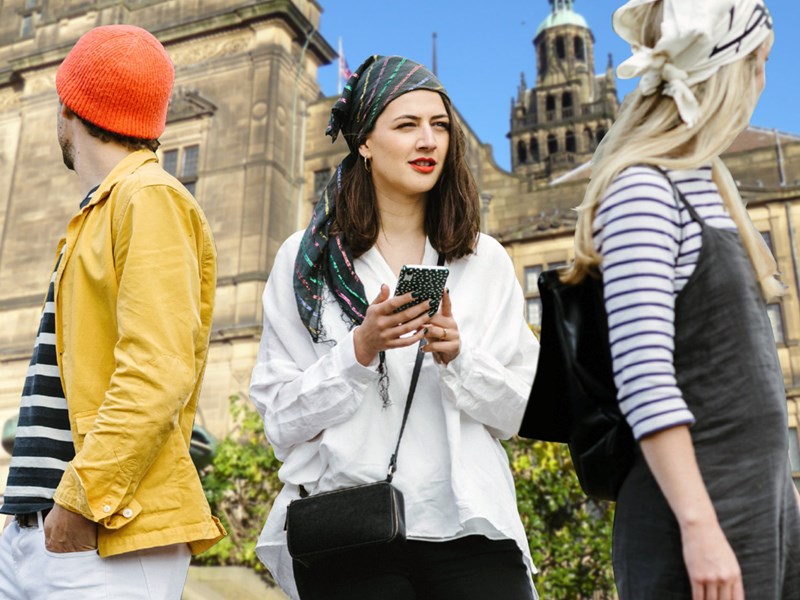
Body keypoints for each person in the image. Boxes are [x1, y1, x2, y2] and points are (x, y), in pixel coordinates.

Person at [249, 55, 540, 600]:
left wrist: (460, 359)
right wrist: (358, 351)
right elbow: (280, 421)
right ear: (364, 141)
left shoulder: (485, 260)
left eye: (439, 126)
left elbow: (522, 410)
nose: (428, 140)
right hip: (350, 523)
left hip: (470, 521)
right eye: (407, 125)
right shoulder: (306, 260)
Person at [566, 0, 800, 597]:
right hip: (699, 513)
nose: (762, 80)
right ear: (724, 70)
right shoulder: (642, 187)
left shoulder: (703, 186)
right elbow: (645, 376)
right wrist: (700, 527)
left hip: (756, 505)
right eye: (758, 62)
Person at [0, 25, 225, 599]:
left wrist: (83, 498)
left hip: (104, 535)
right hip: (40, 532)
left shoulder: (149, 197)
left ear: (68, 107)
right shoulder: (100, 211)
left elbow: (157, 370)